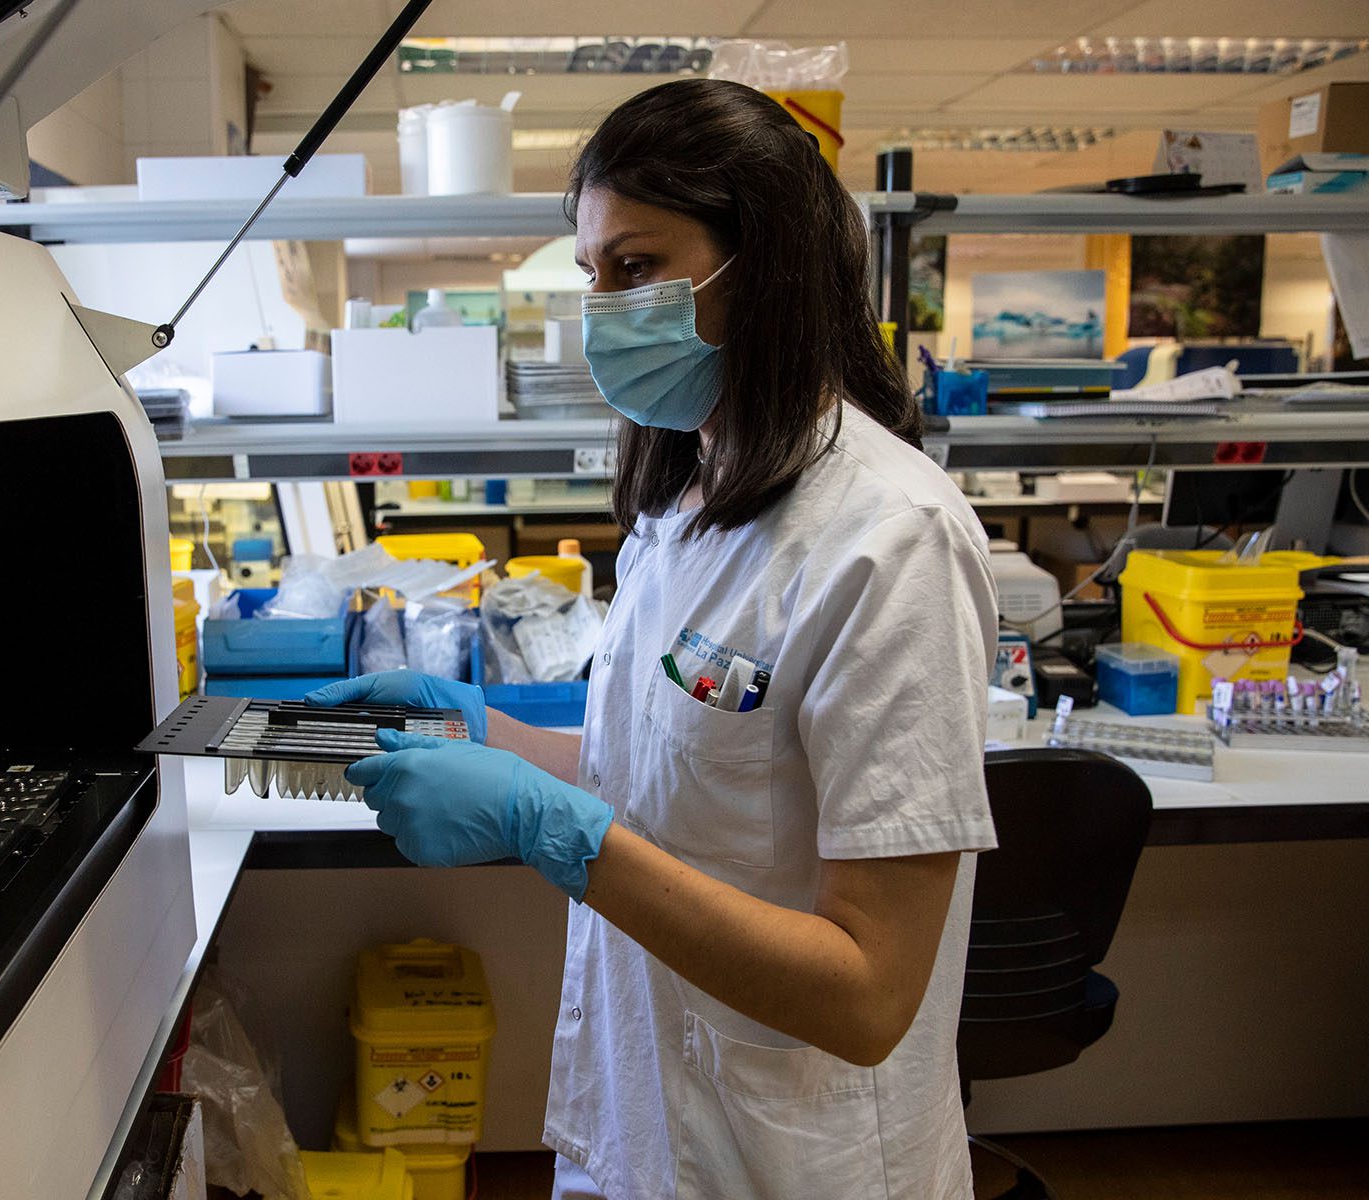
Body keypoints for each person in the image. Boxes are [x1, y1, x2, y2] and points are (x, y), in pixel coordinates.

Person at [309, 78, 997, 1199]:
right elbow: (683, 777)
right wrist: (475, 726)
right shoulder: (688, 504)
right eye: (591, 273)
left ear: (762, 265)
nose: (602, 307)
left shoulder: (890, 536)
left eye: (635, 266)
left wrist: (555, 833)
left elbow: (868, 996)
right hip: (643, 1130)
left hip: (792, 1160)